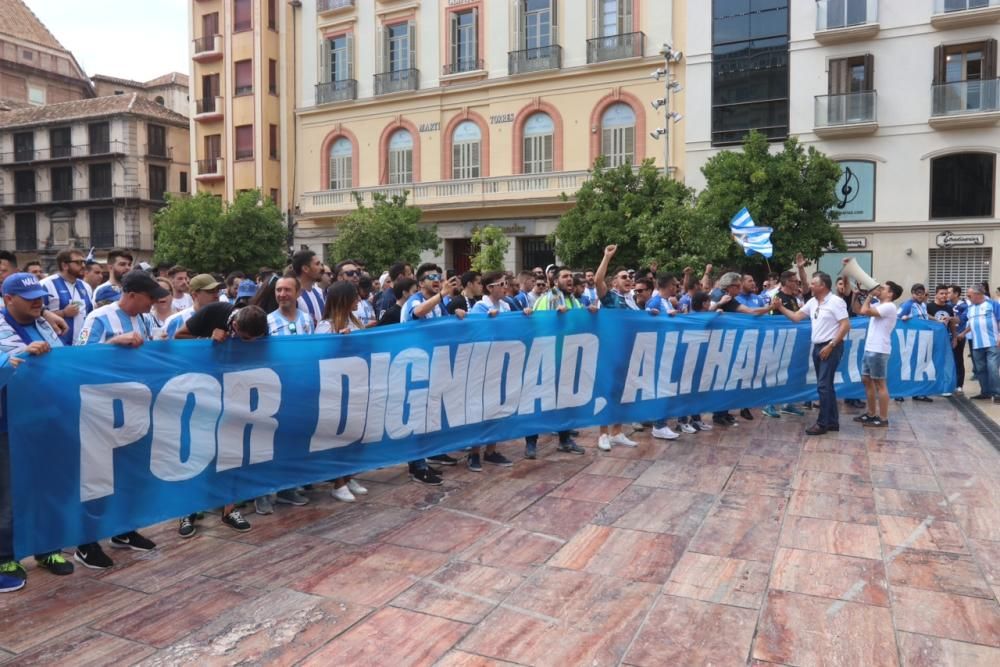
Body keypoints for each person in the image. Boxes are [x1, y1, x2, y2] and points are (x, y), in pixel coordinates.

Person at [74, 271, 170, 568]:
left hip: (134, 407)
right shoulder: (99, 318)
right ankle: (86, 542)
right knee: (97, 477)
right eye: (149, 297)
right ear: (131, 294)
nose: (154, 302)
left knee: (130, 471)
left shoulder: (144, 319)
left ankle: (123, 529)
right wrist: (115, 341)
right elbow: (78, 359)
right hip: (100, 409)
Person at [0, 272, 76, 585]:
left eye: (40, 298)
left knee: (49, 486)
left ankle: (47, 548)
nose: (37, 303)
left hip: (47, 417)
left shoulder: (44, 320)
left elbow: (66, 362)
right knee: (10, 493)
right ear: (8, 299)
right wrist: (18, 356)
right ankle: (5, 558)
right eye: (29, 298)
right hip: (8, 422)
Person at [175, 299, 269, 532]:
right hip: (202, 390)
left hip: (237, 392)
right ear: (235, 326)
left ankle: (229, 510)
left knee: (233, 451)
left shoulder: (260, 326)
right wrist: (207, 340)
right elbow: (178, 336)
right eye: (245, 339)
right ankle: (186, 510)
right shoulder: (214, 311)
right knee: (197, 450)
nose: (248, 344)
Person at [772, 271, 850, 435]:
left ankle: (822, 423)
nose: (809, 286)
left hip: (831, 346)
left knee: (823, 385)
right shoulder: (813, 302)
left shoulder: (836, 302)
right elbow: (796, 317)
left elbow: (845, 325)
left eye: (814, 283)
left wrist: (831, 344)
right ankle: (832, 422)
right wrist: (780, 307)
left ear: (823, 286)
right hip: (818, 347)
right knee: (826, 385)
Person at [316, 281, 371, 501]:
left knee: (355, 433)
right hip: (336, 390)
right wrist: (339, 342)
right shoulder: (326, 326)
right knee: (339, 435)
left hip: (357, 384)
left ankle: (348, 476)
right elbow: (320, 355)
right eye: (355, 297)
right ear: (345, 300)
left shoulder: (354, 321)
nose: (359, 300)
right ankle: (338, 482)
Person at [527, 267, 590, 457]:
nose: (569, 279)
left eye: (571, 276)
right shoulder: (546, 300)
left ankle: (565, 439)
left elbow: (581, 325)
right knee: (538, 403)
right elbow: (537, 326)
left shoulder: (575, 301)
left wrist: (591, 314)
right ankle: (531, 443)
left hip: (568, 359)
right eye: (565, 276)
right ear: (555, 282)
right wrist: (557, 319)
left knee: (565, 401)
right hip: (547, 358)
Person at [594, 245, 637, 449]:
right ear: (614, 282)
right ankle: (603, 434)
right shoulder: (609, 297)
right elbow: (597, 281)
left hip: (628, 353)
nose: (628, 279)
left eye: (629, 277)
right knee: (607, 391)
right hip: (609, 352)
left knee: (623, 392)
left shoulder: (632, 302)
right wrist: (606, 257)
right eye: (623, 277)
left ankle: (617, 431)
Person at [854, 281, 903, 428]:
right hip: (870, 348)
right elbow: (857, 309)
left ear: (890, 294)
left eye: (883, 289)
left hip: (879, 349)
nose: (879, 290)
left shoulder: (889, 306)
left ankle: (883, 418)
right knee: (866, 380)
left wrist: (869, 295)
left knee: (880, 384)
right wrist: (856, 296)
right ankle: (870, 413)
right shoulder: (880, 305)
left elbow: (865, 311)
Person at [762, 271, 807, 420]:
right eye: (795, 281)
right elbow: (772, 319)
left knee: (791, 372)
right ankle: (769, 404)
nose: (797, 284)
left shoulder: (793, 298)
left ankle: (788, 403)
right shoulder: (777, 299)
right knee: (775, 372)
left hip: (793, 340)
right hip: (780, 340)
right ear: (787, 282)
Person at [40, 249, 94, 346]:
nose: (83, 266)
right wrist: (63, 313)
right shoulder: (46, 285)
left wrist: (84, 342)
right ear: (64, 265)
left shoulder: (86, 286)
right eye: (78, 262)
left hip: (81, 347)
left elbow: (89, 318)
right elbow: (37, 316)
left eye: (83, 262)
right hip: (57, 347)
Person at [957, 284, 1000, 402]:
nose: (968, 297)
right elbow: (970, 322)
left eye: (969, 295)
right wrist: (963, 332)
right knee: (980, 369)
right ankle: (985, 392)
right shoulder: (970, 308)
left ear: (978, 295)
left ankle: (997, 393)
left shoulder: (992, 304)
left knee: (992, 368)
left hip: (992, 343)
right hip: (977, 343)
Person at [898, 283, 933, 402]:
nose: (920, 296)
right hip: (911, 339)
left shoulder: (922, 305)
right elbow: (898, 318)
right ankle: (899, 392)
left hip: (923, 339)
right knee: (906, 366)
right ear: (912, 293)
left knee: (920, 366)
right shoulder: (907, 305)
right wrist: (905, 319)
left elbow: (925, 316)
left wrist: (937, 320)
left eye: (922, 294)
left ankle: (917, 392)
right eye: (917, 294)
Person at [164, 274, 221, 339]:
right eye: (211, 291)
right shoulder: (175, 321)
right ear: (195, 295)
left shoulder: (224, 319)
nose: (216, 295)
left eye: (217, 291)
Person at [293, 250, 325, 326]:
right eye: (317, 264)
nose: (321, 268)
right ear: (305, 269)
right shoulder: (294, 296)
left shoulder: (319, 292)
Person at [950, 284, 968, 394]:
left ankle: (959, 385)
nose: (947, 295)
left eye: (949, 292)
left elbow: (961, 320)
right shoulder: (947, 305)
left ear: (956, 294)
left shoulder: (964, 306)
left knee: (958, 360)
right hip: (947, 336)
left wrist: (950, 318)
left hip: (959, 337)